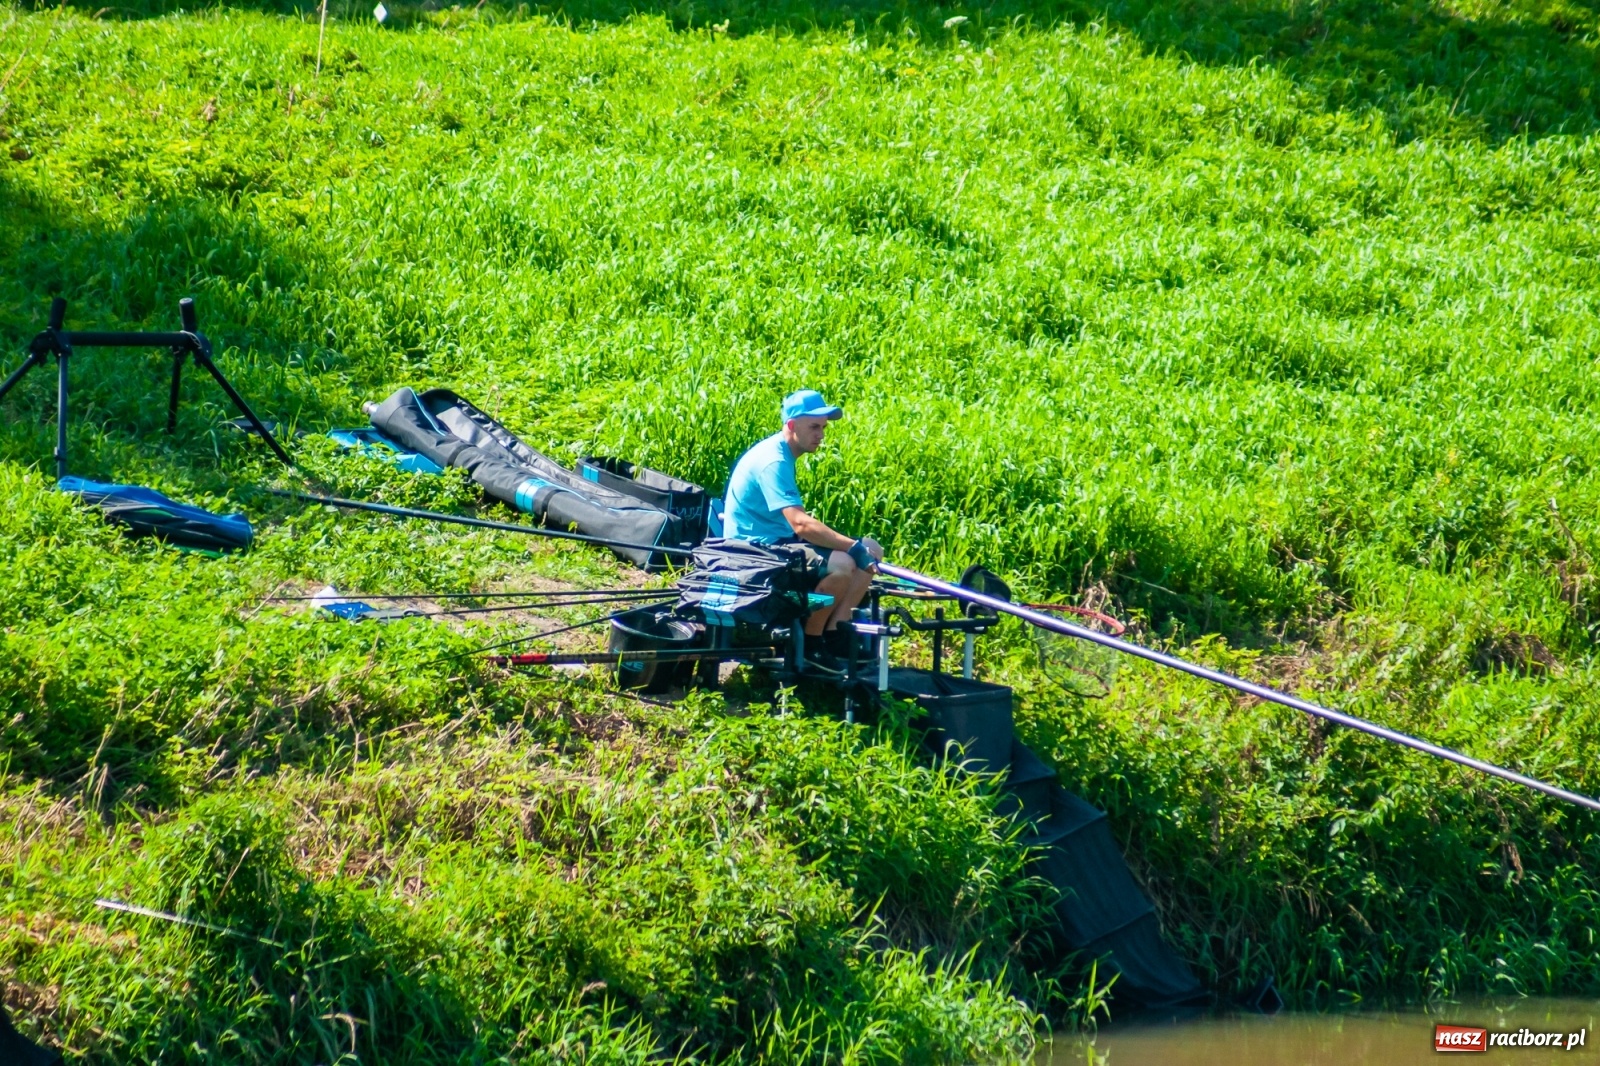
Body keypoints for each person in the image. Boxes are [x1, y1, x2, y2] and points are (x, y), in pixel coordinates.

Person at [724, 389, 884, 671]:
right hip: (754, 549)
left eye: (823, 427)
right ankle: (811, 644)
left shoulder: (783, 454)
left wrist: (859, 547)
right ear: (791, 425)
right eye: (814, 427)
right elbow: (800, 524)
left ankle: (836, 633)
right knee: (843, 563)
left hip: (779, 540)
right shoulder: (773, 461)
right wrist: (850, 547)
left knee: (872, 547)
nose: (821, 434)